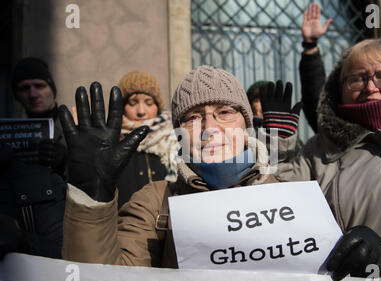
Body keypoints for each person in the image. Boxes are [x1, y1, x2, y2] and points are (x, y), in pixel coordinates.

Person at [58, 66, 278, 268]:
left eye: (225, 112)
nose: (209, 128)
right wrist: (91, 200)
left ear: (246, 124)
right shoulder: (153, 203)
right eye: (193, 117)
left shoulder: (287, 196)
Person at [264, 39, 381, 279]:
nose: (370, 87)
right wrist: (278, 144)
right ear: (339, 88)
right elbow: (274, 207)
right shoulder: (318, 152)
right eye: (357, 78)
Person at [0, 57, 68, 259]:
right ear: (16, 95)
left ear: (52, 89)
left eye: (39, 85)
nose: (32, 94)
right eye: (24, 88)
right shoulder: (10, 133)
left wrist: (65, 161)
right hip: (24, 226)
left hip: (64, 222)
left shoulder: (72, 127)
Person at [260, 3, 330, 136]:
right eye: (358, 79)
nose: (371, 88)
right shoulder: (337, 133)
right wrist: (310, 45)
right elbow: (317, 101)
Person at [116, 71, 180, 208]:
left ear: (158, 107)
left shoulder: (175, 140)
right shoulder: (113, 144)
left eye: (149, 103)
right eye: (132, 103)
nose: (141, 111)